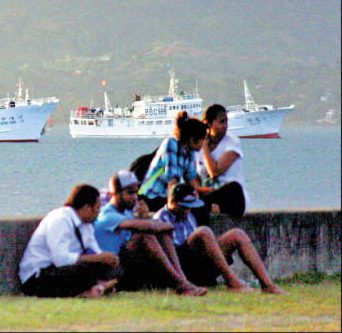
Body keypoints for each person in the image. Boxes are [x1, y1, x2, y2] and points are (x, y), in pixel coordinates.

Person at [153, 182, 288, 295]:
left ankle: (267, 284)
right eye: (184, 207)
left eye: (190, 207)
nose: (188, 210)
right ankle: (233, 282)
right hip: (181, 267)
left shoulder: (189, 215)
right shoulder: (160, 218)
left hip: (199, 264)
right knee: (203, 232)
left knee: (237, 234)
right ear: (171, 202)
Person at [93, 170, 207, 296]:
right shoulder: (108, 215)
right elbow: (148, 227)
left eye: (137, 192)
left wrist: (145, 218)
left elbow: (149, 228)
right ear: (114, 194)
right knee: (146, 235)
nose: (135, 197)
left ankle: (183, 281)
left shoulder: (126, 212)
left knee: (159, 233)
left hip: (126, 265)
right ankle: (181, 284)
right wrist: (162, 225)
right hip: (110, 270)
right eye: (130, 192)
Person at [19, 184, 120, 299]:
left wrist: (105, 259)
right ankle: (97, 288)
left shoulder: (86, 224)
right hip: (39, 275)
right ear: (87, 208)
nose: (98, 213)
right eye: (97, 208)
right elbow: (61, 260)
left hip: (65, 269)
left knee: (113, 268)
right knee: (79, 272)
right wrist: (96, 258)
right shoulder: (60, 219)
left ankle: (97, 287)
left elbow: (94, 252)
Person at [191, 104, 249, 225]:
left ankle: (210, 206)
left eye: (226, 122)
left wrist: (205, 147)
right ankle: (209, 207)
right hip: (208, 195)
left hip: (232, 198)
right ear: (209, 123)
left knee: (233, 187)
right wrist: (199, 189)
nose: (225, 126)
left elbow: (215, 172)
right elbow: (194, 176)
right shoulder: (197, 146)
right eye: (221, 122)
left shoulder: (232, 142)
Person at [137, 111, 205, 213]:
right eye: (203, 139)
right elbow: (172, 180)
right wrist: (171, 208)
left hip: (166, 195)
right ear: (192, 140)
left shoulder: (190, 152)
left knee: (201, 206)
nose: (204, 143)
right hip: (152, 196)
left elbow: (191, 180)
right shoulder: (171, 144)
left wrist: (208, 192)